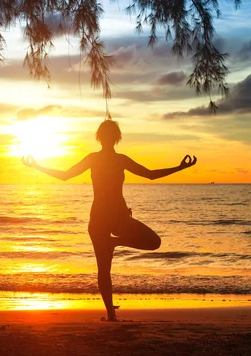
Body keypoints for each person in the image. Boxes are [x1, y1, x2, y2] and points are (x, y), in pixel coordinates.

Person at [22, 119, 197, 321]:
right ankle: (115, 253)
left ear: (100, 137)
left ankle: (111, 314)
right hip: (115, 217)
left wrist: (37, 166)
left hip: (101, 218)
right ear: (117, 138)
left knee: (104, 268)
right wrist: (179, 168)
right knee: (148, 244)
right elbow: (150, 175)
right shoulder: (118, 159)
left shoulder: (95, 159)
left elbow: (64, 176)